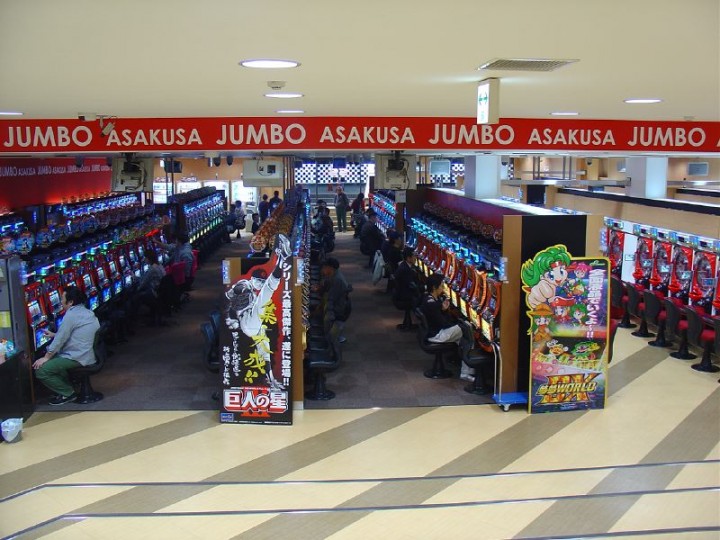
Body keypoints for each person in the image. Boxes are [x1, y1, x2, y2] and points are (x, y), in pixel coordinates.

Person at [225, 234, 292, 389]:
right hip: (245, 321)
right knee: (264, 296)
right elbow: (229, 297)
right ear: (253, 278)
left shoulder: (255, 291)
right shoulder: (247, 285)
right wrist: (232, 315)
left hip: (254, 326)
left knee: (265, 350)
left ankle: (271, 379)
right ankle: (281, 260)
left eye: (262, 281)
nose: (259, 283)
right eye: (258, 280)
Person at [33, 286, 100, 405]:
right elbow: (74, 333)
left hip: (79, 357)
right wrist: (55, 335)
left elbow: (61, 338)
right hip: (87, 353)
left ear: (70, 302)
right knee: (56, 358)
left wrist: (46, 357)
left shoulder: (71, 315)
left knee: (41, 370)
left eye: (62, 299)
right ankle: (67, 388)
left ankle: (68, 393)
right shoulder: (85, 310)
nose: (60, 302)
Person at [420, 273, 463, 346]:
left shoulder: (428, 297)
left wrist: (443, 310)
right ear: (434, 287)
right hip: (436, 335)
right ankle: (465, 354)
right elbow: (444, 324)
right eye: (441, 286)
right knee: (464, 327)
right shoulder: (431, 303)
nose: (443, 288)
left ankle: (457, 352)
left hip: (434, 331)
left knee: (460, 326)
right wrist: (446, 311)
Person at [319, 257, 352, 343]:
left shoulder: (337, 280)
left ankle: (327, 341)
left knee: (326, 319)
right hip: (340, 305)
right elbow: (328, 284)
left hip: (339, 309)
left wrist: (327, 312)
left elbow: (331, 298)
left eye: (324, 268)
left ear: (330, 268)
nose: (322, 270)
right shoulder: (335, 274)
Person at [133, 251, 165, 324]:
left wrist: (137, 289)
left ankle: (134, 319)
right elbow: (145, 279)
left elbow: (143, 283)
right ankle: (151, 314)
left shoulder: (152, 269)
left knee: (136, 297)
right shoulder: (159, 265)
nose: (144, 259)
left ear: (148, 258)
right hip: (161, 291)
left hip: (155, 293)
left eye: (145, 258)